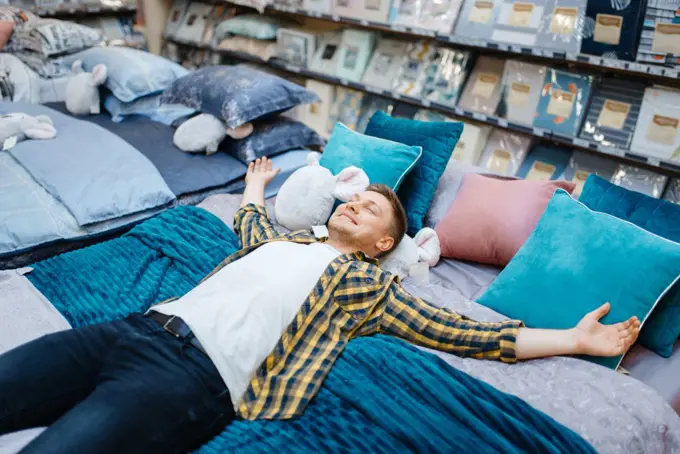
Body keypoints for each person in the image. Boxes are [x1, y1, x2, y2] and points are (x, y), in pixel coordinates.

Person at [0, 157, 640, 454]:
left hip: (189, 377)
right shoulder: (284, 241)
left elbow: (464, 332)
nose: (353, 203)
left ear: (386, 243)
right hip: (130, 331)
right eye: (353, 199)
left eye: (371, 210)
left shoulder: (366, 288)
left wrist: (574, 340)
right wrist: (254, 185)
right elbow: (248, 224)